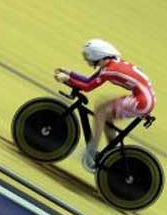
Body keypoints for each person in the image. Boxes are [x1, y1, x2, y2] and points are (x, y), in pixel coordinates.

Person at [54, 39, 155, 173]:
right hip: (144, 97)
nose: (88, 61)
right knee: (104, 111)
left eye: (89, 57)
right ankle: (112, 155)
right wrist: (71, 74)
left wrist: (67, 79)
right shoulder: (110, 63)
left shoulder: (109, 70)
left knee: (101, 111)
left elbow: (87, 87)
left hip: (141, 101)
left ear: (98, 56)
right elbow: (89, 80)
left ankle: (92, 149)